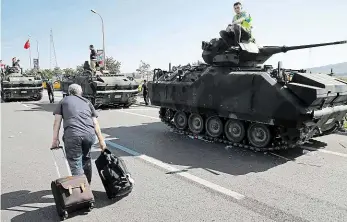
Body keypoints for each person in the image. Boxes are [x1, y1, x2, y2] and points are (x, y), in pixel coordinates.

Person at [51, 83, 106, 184]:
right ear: (80, 92)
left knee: (75, 162)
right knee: (86, 158)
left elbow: (57, 122)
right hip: (89, 135)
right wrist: (101, 141)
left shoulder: (63, 101)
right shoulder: (87, 101)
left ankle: (82, 193)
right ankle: (87, 186)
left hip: (73, 136)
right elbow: (95, 123)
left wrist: (55, 140)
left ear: (69, 92)